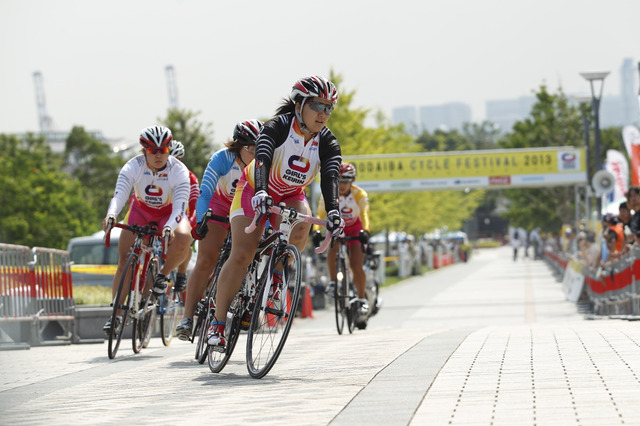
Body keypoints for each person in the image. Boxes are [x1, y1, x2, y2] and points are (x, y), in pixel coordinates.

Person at [207, 75, 344, 351]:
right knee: (243, 253)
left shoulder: (328, 143)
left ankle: (278, 275)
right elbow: (263, 157)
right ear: (299, 104)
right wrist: (260, 190)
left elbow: (330, 177)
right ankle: (218, 323)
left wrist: (334, 213)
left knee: (303, 224)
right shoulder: (279, 126)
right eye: (317, 106)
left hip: (291, 194)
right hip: (254, 188)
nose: (323, 114)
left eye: (329, 108)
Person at [174, 119, 263, 340]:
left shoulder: (264, 163)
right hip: (220, 205)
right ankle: (187, 317)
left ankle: (247, 300)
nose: (255, 154)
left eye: (259, 148)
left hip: (246, 208)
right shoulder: (222, 159)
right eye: (250, 149)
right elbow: (205, 193)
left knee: (252, 254)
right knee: (206, 258)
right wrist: (201, 220)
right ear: (238, 147)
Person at [102, 125, 192, 334]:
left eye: (164, 150)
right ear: (144, 151)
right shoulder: (133, 166)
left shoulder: (178, 170)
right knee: (125, 259)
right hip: (141, 211)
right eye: (153, 151)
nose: (159, 155)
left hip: (168, 213)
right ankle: (115, 315)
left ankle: (162, 274)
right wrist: (111, 215)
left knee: (184, 236)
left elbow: (180, 205)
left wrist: (170, 227)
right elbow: (120, 195)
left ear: (169, 149)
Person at [315, 162, 371, 315]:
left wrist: (365, 230)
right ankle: (333, 282)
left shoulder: (359, 194)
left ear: (352, 181)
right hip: (338, 228)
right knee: (332, 249)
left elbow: (365, 214)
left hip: (355, 228)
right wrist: (316, 230)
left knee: (356, 265)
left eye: (345, 181)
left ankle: (361, 299)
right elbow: (320, 214)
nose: (341, 185)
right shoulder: (328, 194)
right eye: (338, 181)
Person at [167, 141, 199, 294]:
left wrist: (191, 225)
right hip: (163, 215)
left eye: (176, 161)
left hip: (182, 215)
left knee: (187, 239)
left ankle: (181, 273)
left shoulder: (190, 178)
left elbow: (194, 206)